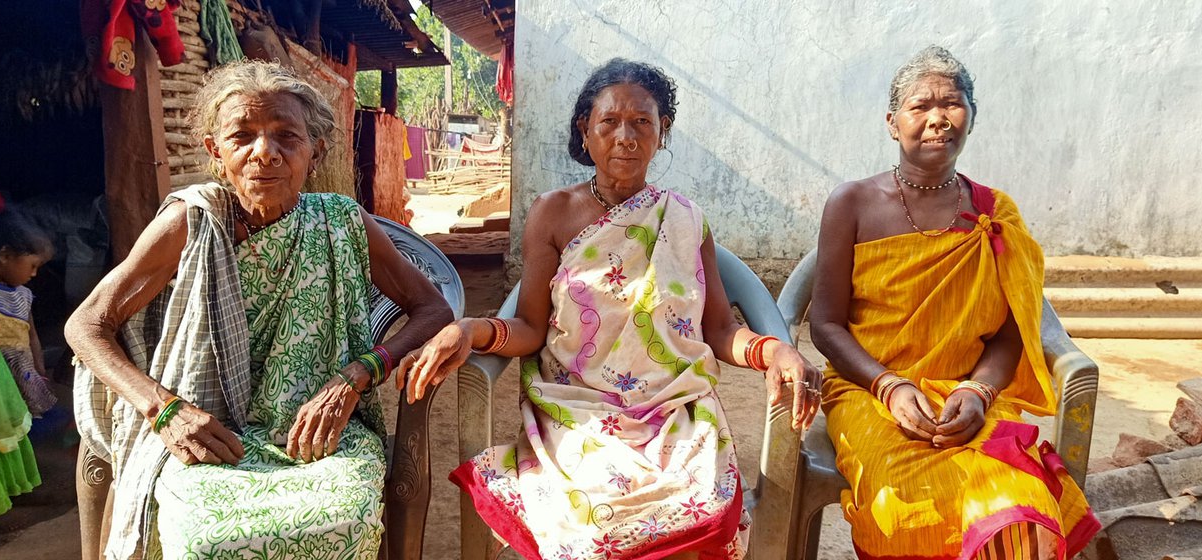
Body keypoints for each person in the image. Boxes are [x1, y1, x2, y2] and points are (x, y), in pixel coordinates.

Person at [399, 59, 822, 560]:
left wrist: (774, 351)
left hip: (673, 409)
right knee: (592, 515)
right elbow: (532, 327)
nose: (626, 136)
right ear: (586, 129)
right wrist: (471, 329)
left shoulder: (686, 221)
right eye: (610, 122)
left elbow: (720, 329)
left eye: (643, 122)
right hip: (576, 408)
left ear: (662, 132)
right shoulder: (553, 212)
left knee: (695, 511)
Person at [66, 60, 452, 559]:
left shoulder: (342, 222)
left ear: (314, 152)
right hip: (206, 431)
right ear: (215, 151)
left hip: (317, 430)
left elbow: (432, 309)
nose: (264, 154)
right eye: (242, 136)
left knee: (345, 519)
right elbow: (87, 325)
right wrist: (165, 411)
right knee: (203, 537)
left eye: (286, 137)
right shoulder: (191, 222)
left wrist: (358, 374)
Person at [809, 46, 1100, 559]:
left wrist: (980, 392)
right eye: (920, 106)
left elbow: (1012, 332)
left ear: (972, 117)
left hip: (966, 395)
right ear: (892, 122)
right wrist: (888, 385)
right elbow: (826, 326)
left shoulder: (996, 213)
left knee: (1020, 502)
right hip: (869, 391)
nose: (938, 118)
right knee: (901, 508)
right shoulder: (850, 202)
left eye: (953, 104)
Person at [0, 204, 57, 418]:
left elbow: (32, 336)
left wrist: (40, 372)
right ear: (5, 255)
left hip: (24, 376)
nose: (34, 274)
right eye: (32, 265)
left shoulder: (23, 296)